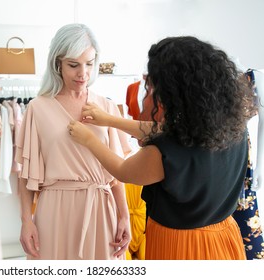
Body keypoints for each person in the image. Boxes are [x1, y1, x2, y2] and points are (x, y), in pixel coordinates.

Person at [67, 36, 256, 260]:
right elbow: (160, 129)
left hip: (182, 246)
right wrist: (110, 120)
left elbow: (123, 170)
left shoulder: (163, 152)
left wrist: (89, 140)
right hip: (224, 236)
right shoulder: (231, 128)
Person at [15, 23, 131, 260]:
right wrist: (26, 221)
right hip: (54, 211)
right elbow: (25, 176)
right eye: (73, 65)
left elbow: (117, 172)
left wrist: (124, 216)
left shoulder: (107, 107)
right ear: (58, 63)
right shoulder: (38, 108)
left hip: (100, 209)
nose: (83, 74)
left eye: (89, 63)